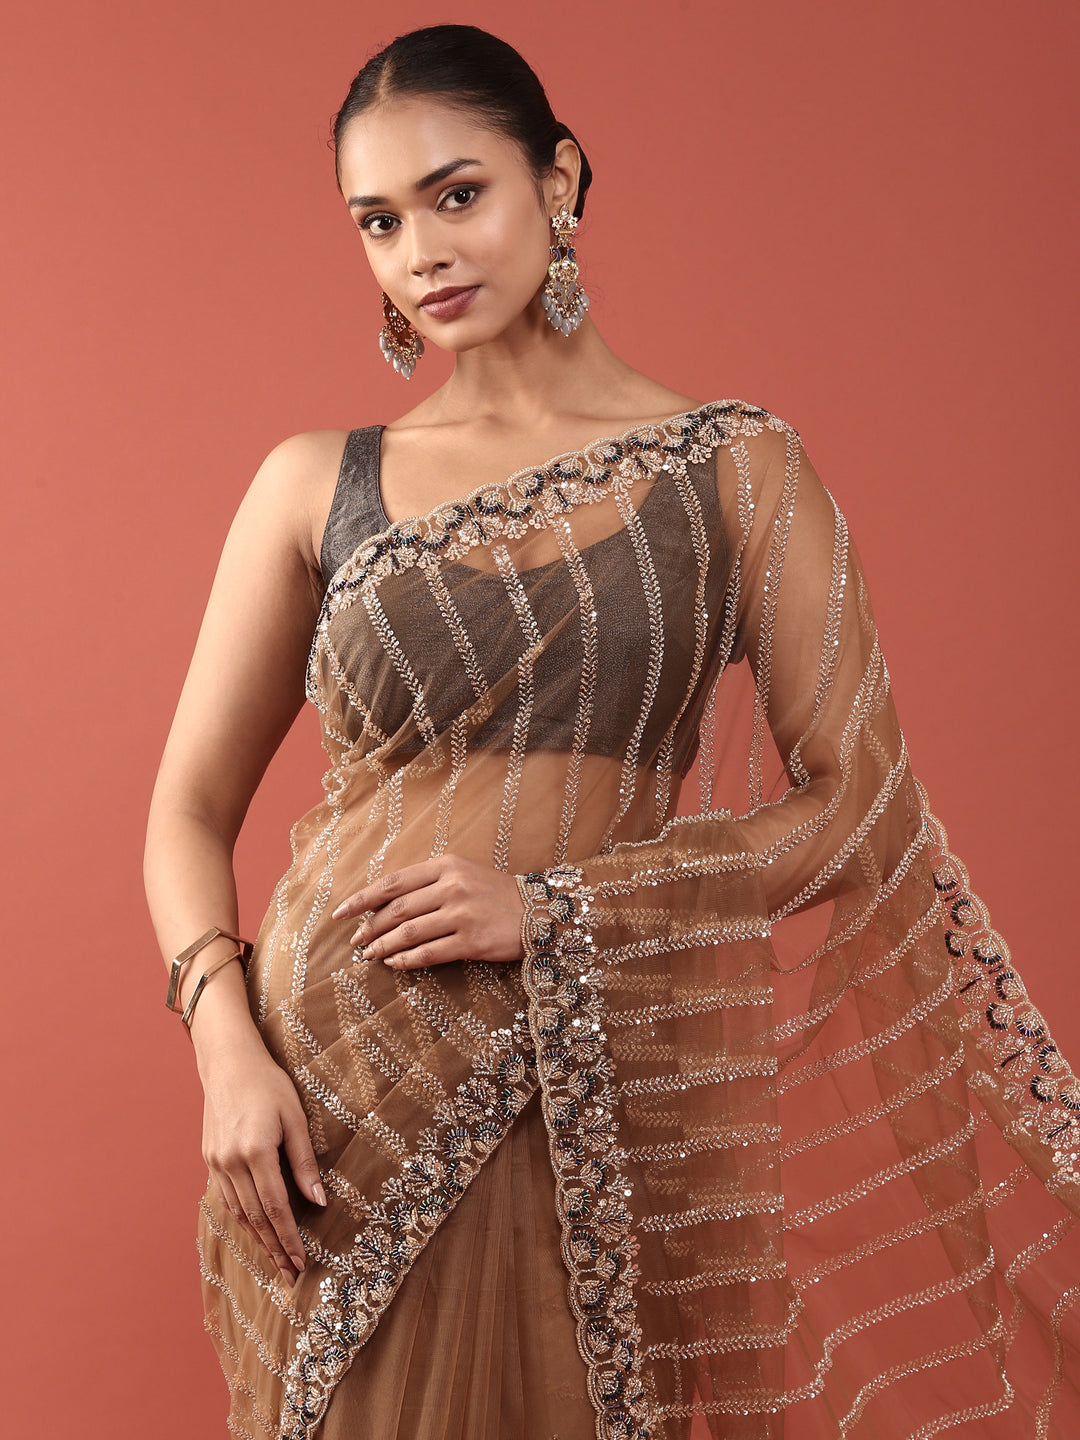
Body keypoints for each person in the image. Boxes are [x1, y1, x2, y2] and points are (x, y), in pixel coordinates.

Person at [142, 22, 1080, 1440]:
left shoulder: (738, 469)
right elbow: (185, 814)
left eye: (458, 195)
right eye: (379, 222)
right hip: (331, 1103)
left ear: (561, 177)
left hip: (600, 1073)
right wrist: (228, 1050)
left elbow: (859, 805)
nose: (420, 253)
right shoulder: (311, 484)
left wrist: (557, 909)